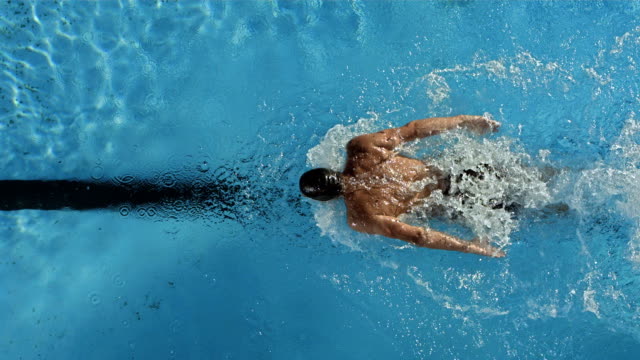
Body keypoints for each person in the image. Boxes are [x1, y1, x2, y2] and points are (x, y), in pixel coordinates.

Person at [299, 115, 507, 258]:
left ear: (329, 199)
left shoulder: (360, 218)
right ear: (329, 170)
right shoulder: (363, 147)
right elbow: (414, 130)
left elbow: (419, 236)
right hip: (466, 171)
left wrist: (471, 246)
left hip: (461, 205)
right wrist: (464, 121)